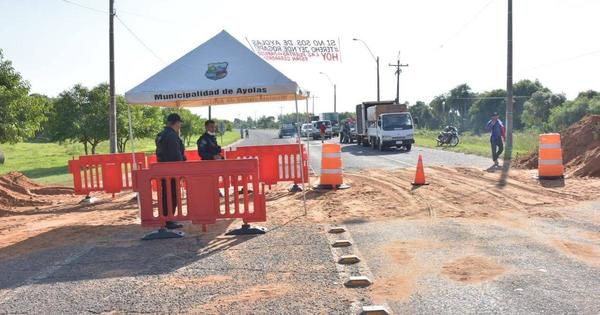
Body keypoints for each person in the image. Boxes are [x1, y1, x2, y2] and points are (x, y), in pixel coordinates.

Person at [155, 113, 186, 229]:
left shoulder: (161, 134)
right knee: (172, 194)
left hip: (163, 169)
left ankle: (166, 218)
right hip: (172, 170)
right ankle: (169, 220)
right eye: (179, 123)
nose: (180, 125)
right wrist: (182, 165)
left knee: (166, 194)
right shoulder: (172, 136)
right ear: (176, 122)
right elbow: (175, 154)